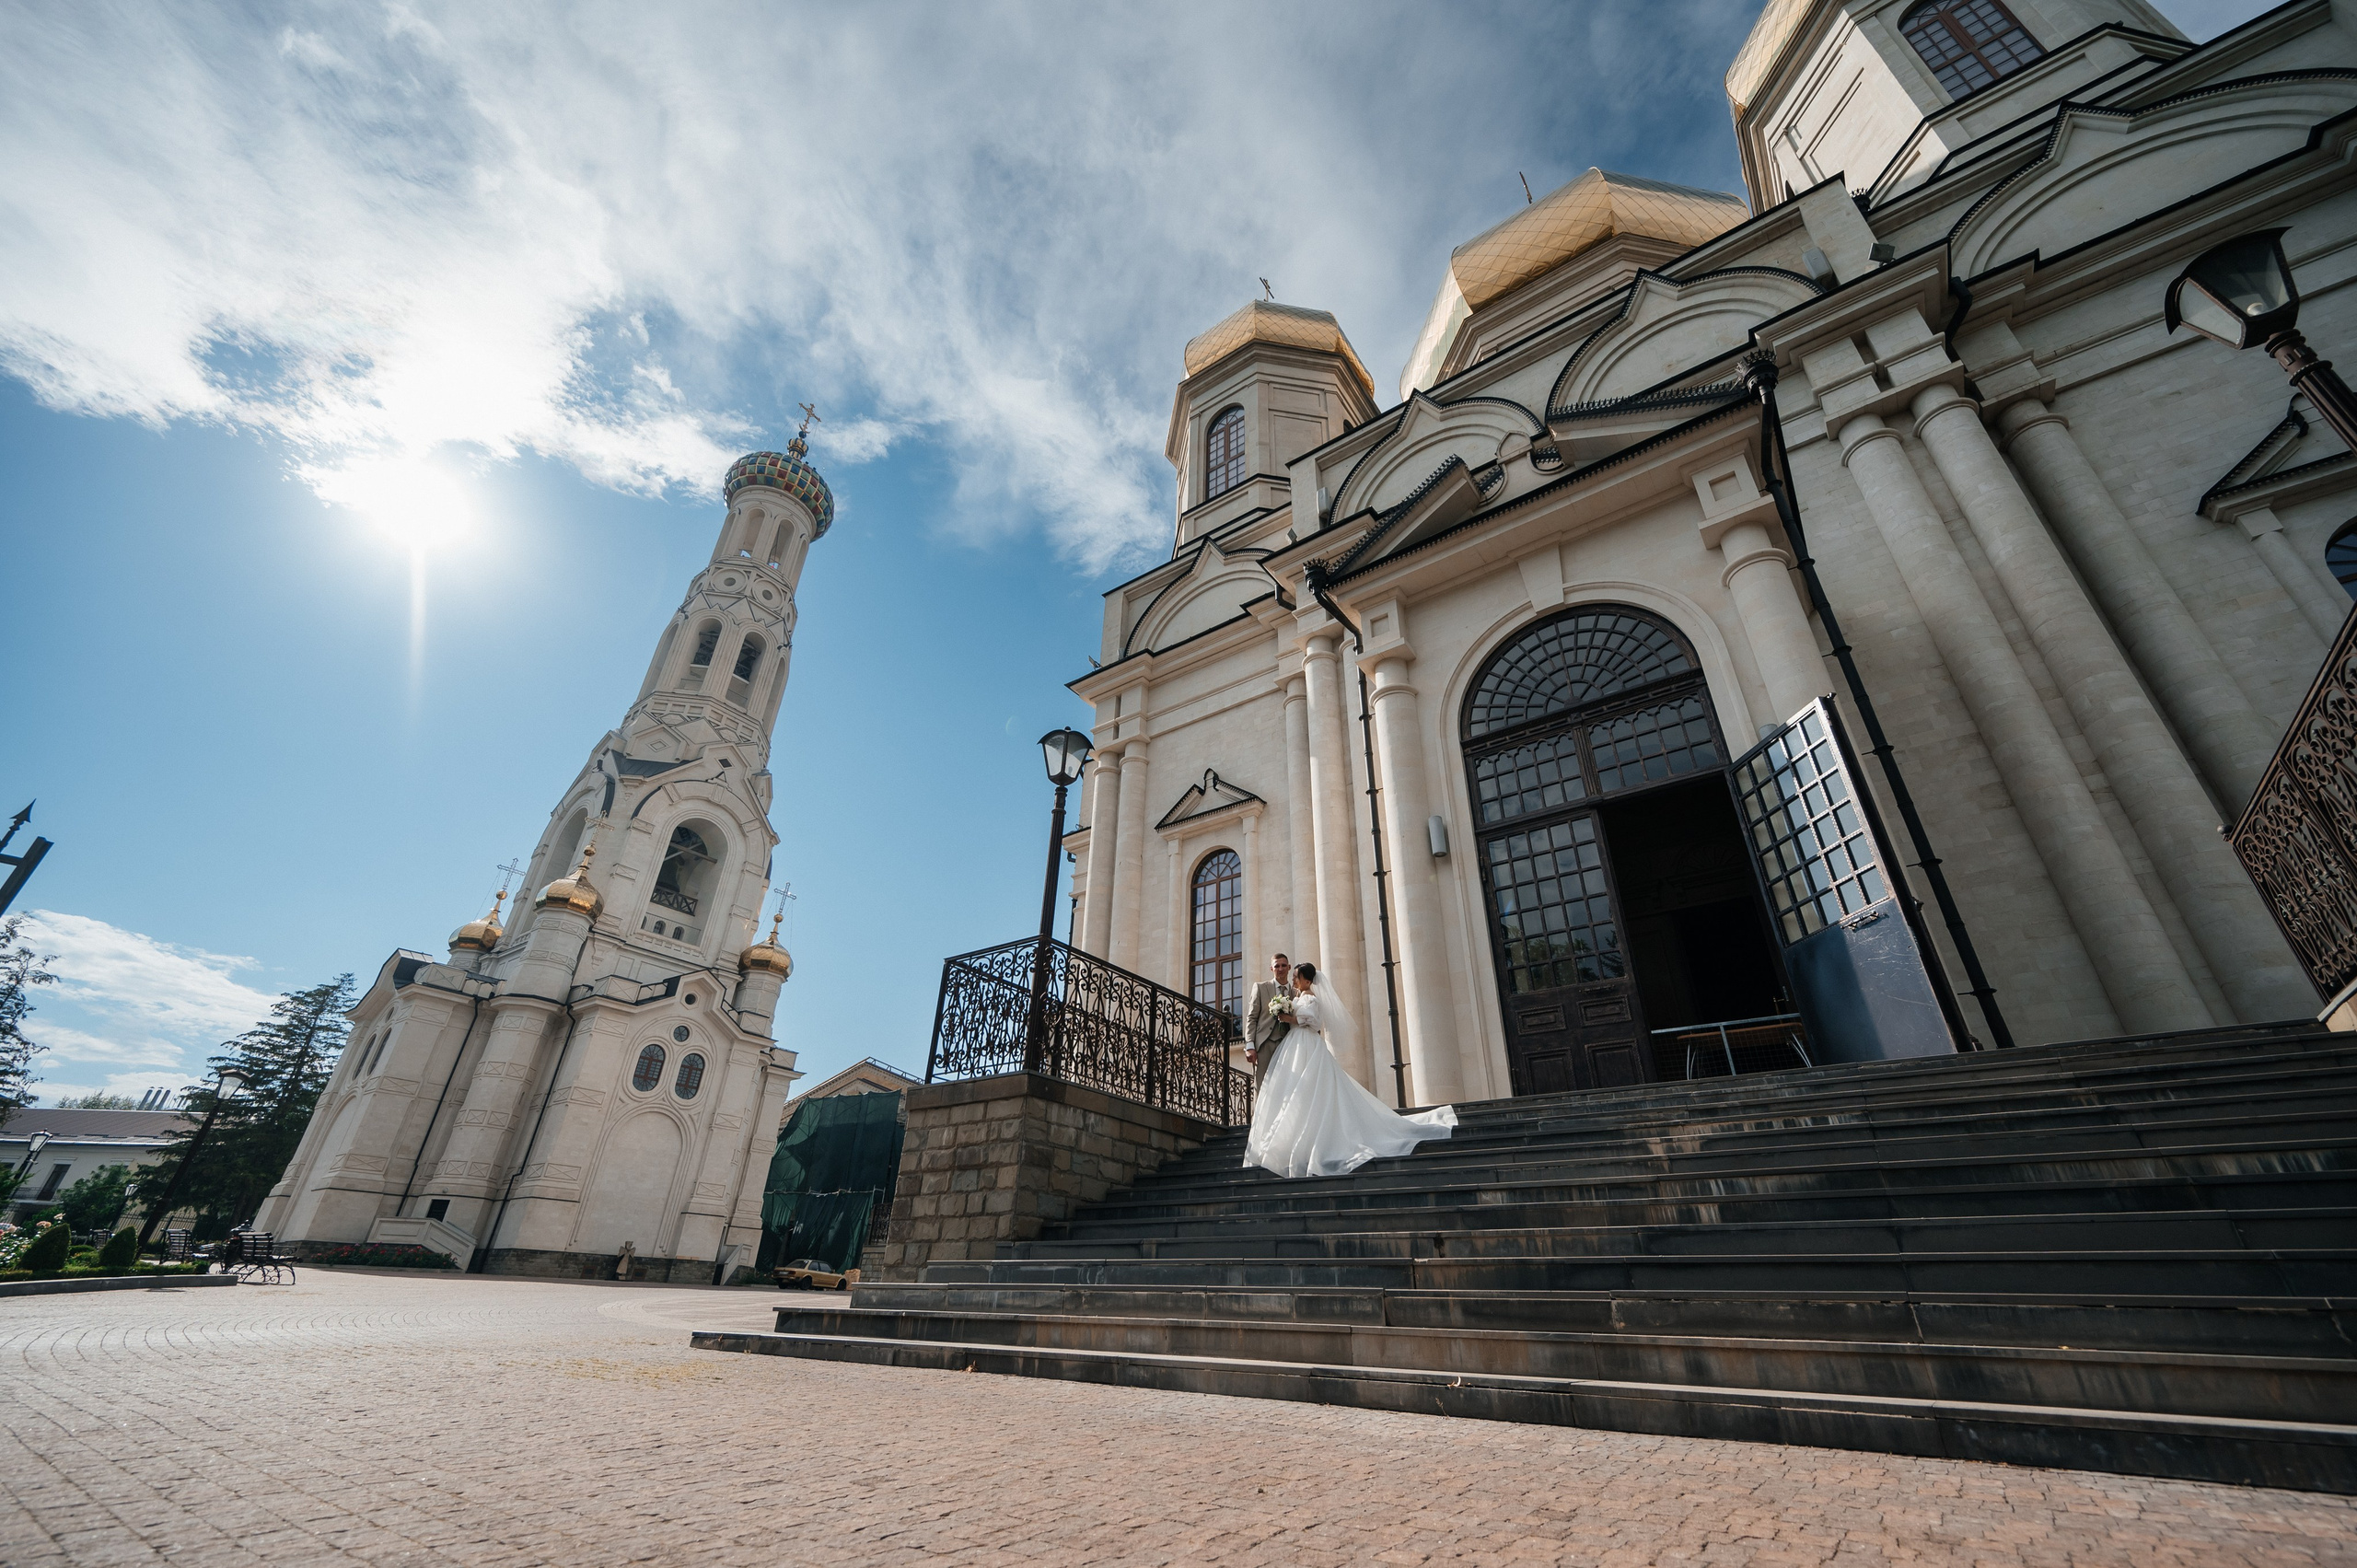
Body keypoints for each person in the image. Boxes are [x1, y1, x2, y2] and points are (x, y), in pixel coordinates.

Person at [1244, 961, 1456, 1179]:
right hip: (1294, 1045)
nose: (1293, 980)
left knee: (1311, 1090)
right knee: (1298, 1092)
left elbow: (1315, 1022)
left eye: (1296, 976)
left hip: (1306, 1044)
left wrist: (1291, 1018)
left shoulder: (1311, 998)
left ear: (1307, 980)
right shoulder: (1298, 997)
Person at [1242, 952, 1295, 1086]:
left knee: (1287, 1086)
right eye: (1277, 966)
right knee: (1262, 1086)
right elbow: (1252, 1018)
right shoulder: (1260, 988)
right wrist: (1250, 1045)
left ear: (1289, 967)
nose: (1281, 969)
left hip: (1288, 1044)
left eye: (1284, 965)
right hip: (1264, 1044)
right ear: (1271, 969)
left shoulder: (1296, 992)